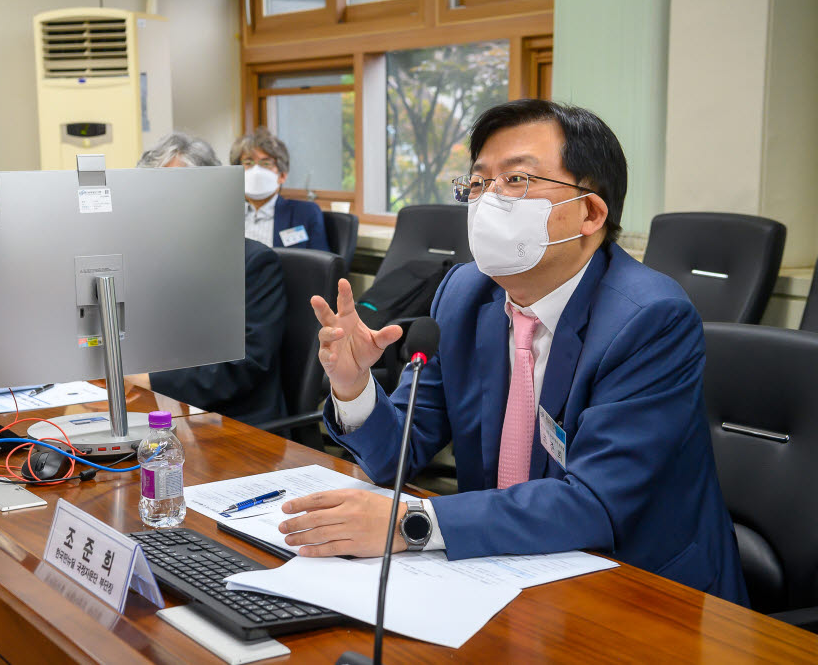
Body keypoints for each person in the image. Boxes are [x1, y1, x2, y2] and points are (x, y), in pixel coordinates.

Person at [278, 99, 749, 606]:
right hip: (502, 570)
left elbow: (593, 502)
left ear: (589, 212)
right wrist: (353, 387)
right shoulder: (464, 293)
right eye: (478, 183)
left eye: (517, 180)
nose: (488, 200)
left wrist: (410, 523)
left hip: (637, 589)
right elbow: (400, 454)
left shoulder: (650, 319)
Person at [140, 132, 288, 425]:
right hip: (161, 411)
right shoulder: (151, 260)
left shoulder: (254, 263)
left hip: (235, 423)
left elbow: (243, 367)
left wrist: (149, 379)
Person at [230, 127, 330, 252]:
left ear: (282, 175)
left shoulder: (304, 213)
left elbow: (322, 265)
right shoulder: (226, 216)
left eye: (266, 163)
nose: (256, 171)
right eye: (248, 163)